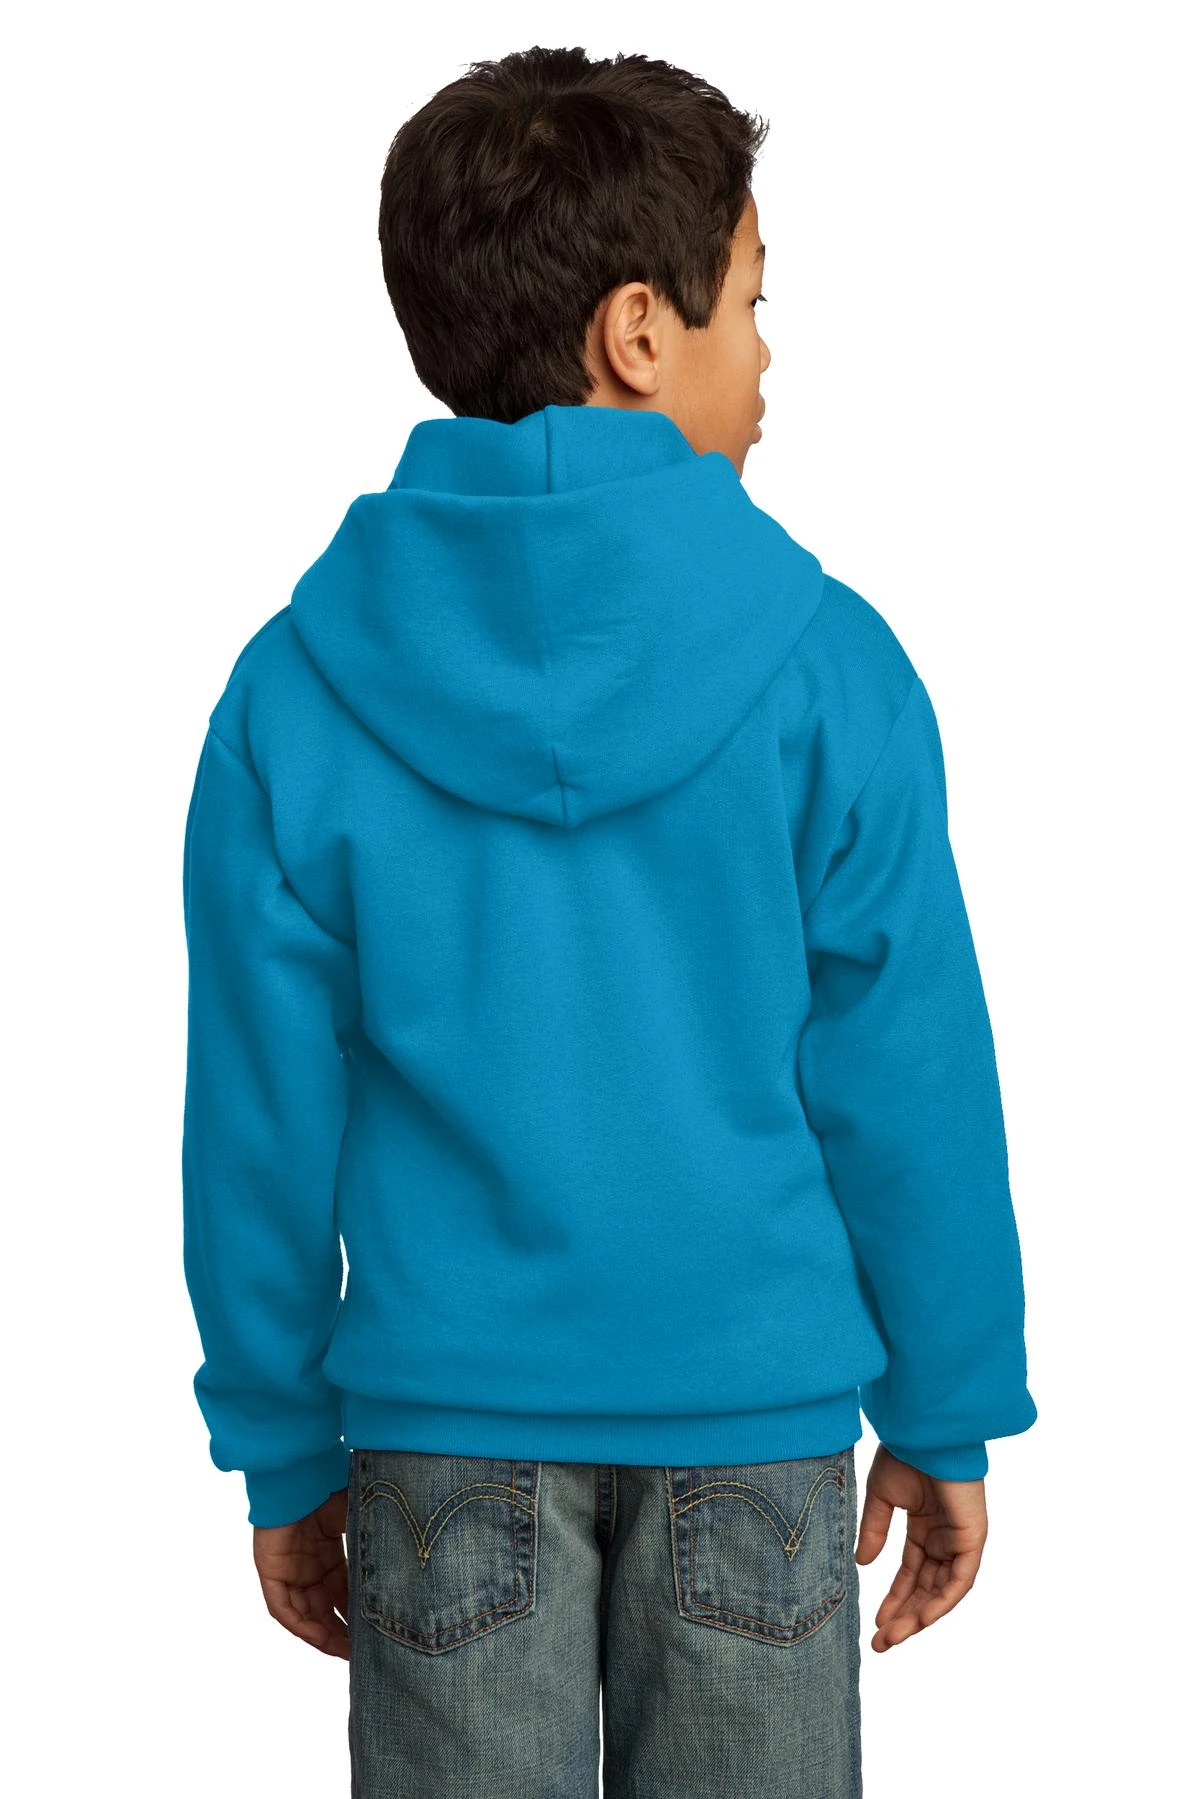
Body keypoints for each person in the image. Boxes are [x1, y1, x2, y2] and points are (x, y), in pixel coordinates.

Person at [180, 44, 1037, 1799]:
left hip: (439, 1438)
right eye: (756, 303)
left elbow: (258, 1114)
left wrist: (281, 1441)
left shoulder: (295, 691)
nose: (770, 354)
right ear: (641, 331)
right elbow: (909, 1077)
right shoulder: (830, 667)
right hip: (756, 1430)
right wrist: (945, 1401)